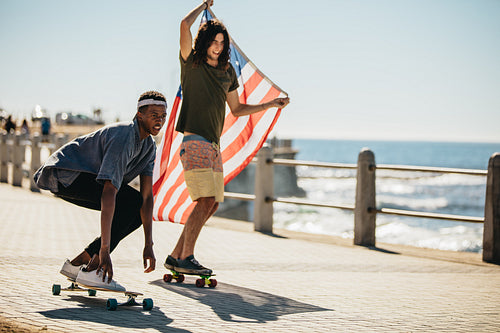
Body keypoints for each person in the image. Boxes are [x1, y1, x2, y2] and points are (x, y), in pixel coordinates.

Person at [164, 0, 290, 275]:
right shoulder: (192, 63)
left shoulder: (227, 72)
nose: (218, 46)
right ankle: (186, 257)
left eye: (222, 42)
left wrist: (270, 104)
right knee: (206, 200)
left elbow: (237, 108)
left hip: (212, 145)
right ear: (206, 40)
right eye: (214, 41)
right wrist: (202, 5)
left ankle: (176, 255)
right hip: (194, 140)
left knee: (213, 202)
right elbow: (184, 25)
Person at [34, 91, 167, 290]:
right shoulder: (124, 137)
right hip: (67, 175)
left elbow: (147, 197)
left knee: (136, 207)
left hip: (84, 180)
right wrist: (105, 250)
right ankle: (93, 266)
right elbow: (109, 191)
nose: (160, 120)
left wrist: (149, 244)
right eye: (154, 115)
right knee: (130, 202)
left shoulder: (148, 147)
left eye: (163, 116)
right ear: (140, 114)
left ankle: (80, 262)